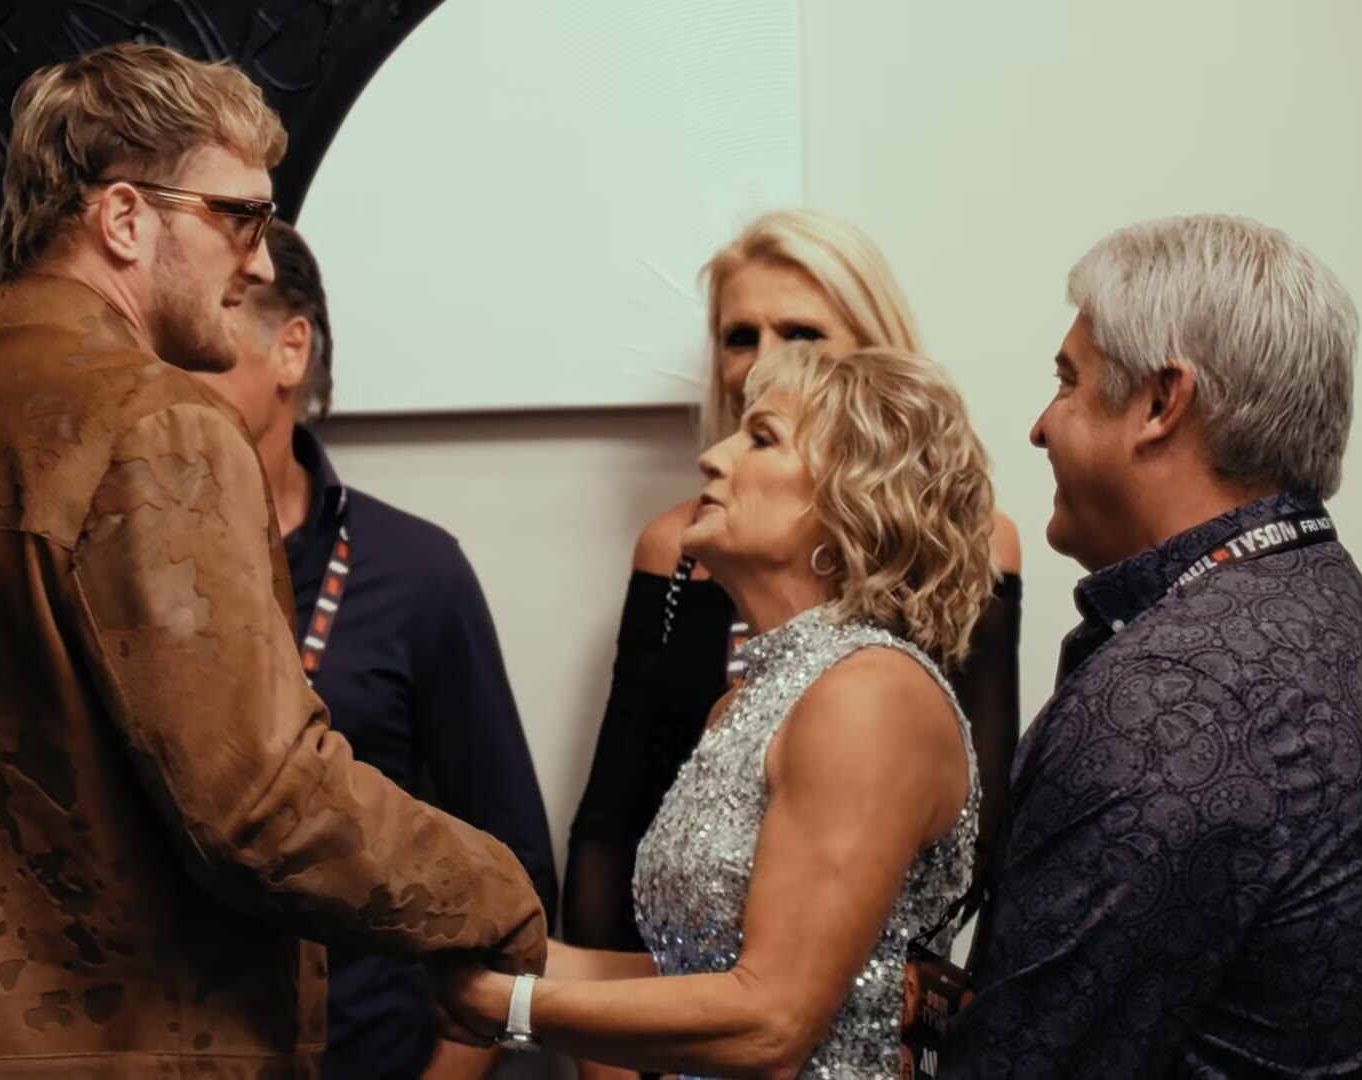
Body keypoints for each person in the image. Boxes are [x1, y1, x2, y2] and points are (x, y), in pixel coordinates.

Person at [0, 43, 547, 1078]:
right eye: (240, 218)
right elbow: (262, 807)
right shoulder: (154, 425)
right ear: (124, 218)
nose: (258, 263)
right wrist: (500, 897)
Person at [438, 343, 999, 1076]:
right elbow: (691, 976)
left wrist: (515, 1007)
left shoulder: (871, 695)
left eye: (761, 437)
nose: (712, 457)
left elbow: (772, 1023)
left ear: (851, 497)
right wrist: (453, 940)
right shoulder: (749, 701)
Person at [947, 214, 1362, 1077]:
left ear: (1160, 403)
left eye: (1067, 382)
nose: (1039, 426)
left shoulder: (1168, 702)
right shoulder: (1346, 618)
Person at [561, 212, 1022, 1013]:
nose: (762, 363)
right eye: (739, 337)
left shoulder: (951, 584)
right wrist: (599, 1034)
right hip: (674, 997)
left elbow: (980, 826)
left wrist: (901, 1009)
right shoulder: (680, 547)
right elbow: (615, 817)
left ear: (872, 352)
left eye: (801, 334)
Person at [195, 219, 558, 1079]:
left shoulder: (417, 572)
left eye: (205, 342)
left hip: (374, 1053)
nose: (169, 376)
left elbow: (515, 865)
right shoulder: (121, 570)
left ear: (290, 351)